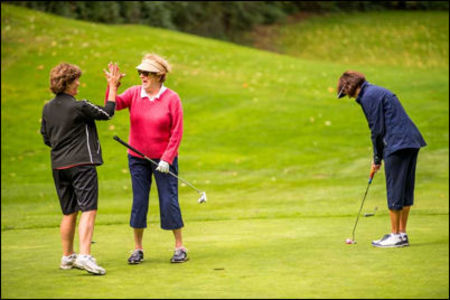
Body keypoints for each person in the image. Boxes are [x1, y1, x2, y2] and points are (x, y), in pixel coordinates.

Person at [104, 53, 188, 263]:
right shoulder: (133, 93)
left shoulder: (172, 98)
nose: (142, 76)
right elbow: (112, 107)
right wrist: (113, 86)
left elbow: (176, 132)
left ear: (159, 75)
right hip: (137, 158)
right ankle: (137, 249)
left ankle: (179, 247)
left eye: (147, 73)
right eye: (141, 72)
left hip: (163, 160)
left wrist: (167, 158)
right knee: (139, 201)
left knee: (169, 200)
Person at [41, 62, 122, 274]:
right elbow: (107, 113)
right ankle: (85, 256)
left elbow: (46, 138)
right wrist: (113, 86)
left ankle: (67, 257)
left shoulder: (47, 108)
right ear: (67, 83)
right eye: (75, 79)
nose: (78, 83)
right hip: (82, 164)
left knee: (69, 211)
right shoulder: (79, 106)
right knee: (88, 208)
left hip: (59, 166)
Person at [337, 70, 427, 247]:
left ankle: (395, 235)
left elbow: (376, 129)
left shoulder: (367, 96)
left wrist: (377, 158)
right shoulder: (375, 91)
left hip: (397, 143)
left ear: (349, 86)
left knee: (395, 188)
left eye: (345, 93)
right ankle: (401, 234)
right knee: (405, 189)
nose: (347, 97)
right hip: (411, 141)